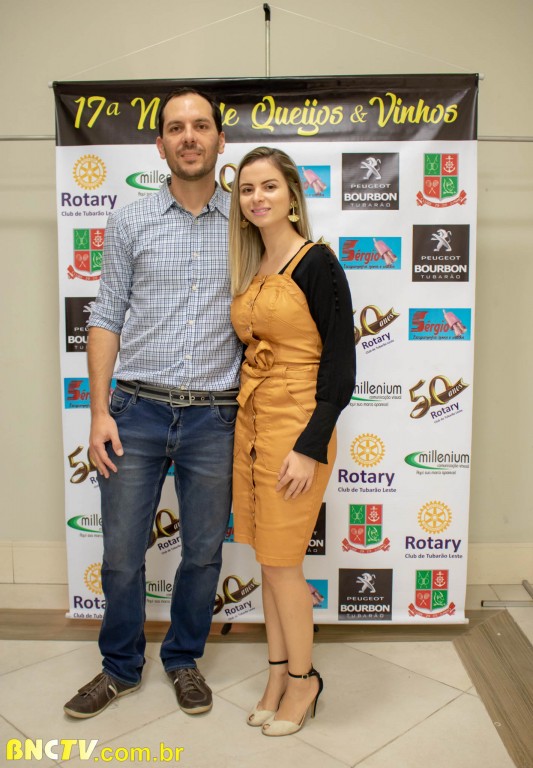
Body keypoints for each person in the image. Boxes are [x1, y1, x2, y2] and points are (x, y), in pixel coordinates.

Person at [63, 88, 242, 719]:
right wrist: (98, 413)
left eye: (201, 126)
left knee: (203, 553)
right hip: (134, 413)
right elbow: (106, 315)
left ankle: (183, 659)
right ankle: (119, 668)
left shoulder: (247, 224)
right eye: (176, 128)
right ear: (160, 144)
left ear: (220, 140)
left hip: (216, 417)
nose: (189, 136)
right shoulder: (131, 219)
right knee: (119, 555)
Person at [229, 146, 355, 736]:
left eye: (269, 186)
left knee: (283, 566)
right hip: (252, 425)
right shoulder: (254, 266)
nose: (257, 197)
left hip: (297, 429)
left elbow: (340, 365)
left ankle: (304, 681)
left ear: (292, 196)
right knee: (269, 562)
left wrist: (310, 447)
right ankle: (277, 674)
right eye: (247, 189)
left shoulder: (317, 261)